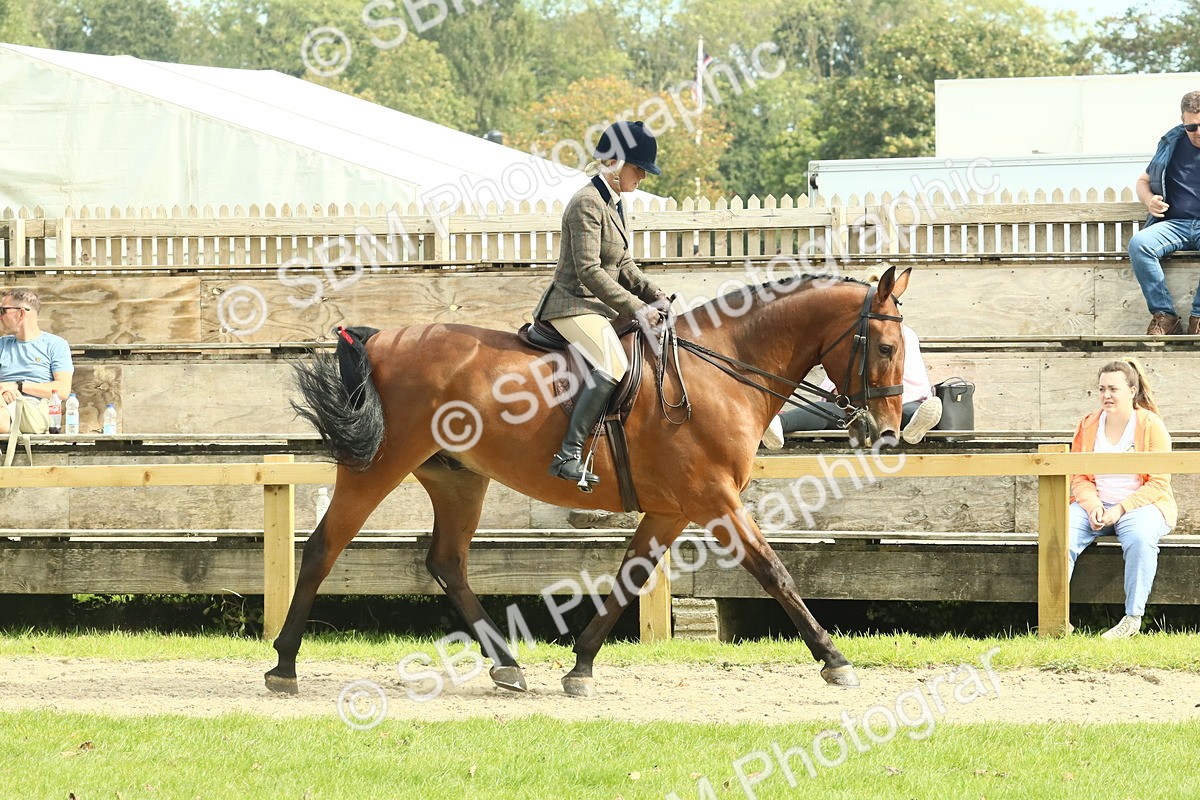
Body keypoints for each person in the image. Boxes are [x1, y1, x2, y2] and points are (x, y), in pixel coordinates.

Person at [534, 120, 669, 489]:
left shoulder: (615, 203)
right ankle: (568, 455)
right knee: (613, 361)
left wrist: (656, 295)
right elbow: (590, 271)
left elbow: (623, 265)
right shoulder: (586, 203)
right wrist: (636, 308)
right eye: (638, 167)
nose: (642, 176)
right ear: (615, 161)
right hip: (572, 304)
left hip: (599, 306)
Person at [1067, 359, 1175, 639]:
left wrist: (1121, 509)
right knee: (1061, 533)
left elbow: (1159, 482)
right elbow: (1079, 477)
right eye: (1101, 389)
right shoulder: (1088, 424)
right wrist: (1092, 506)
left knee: (1140, 538)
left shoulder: (1151, 425)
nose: (1106, 395)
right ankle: (1057, 618)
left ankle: (1132, 618)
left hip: (1141, 506)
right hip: (1096, 504)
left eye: (1113, 389)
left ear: (1131, 390)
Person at [760, 324, 942, 448]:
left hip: (880, 407)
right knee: (904, 410)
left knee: (829, 412)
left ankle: (779, 423)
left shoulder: (878, 333)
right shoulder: (901, 332)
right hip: (875, 409)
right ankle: (914, 421)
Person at [1128, 90, 1200, 336]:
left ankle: (1199, 318)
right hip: (1174, 223)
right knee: (1139, 244)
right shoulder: (1170, 143)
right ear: (1183, 121)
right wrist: (1149, 200)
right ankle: (1165, 316)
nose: (1198, 132)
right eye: (1192, 127)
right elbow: (1142, 180)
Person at [0, 288, 74, 435]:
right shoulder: (2, 344)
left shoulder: (55, 345)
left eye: (3, 311)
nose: (0, 316)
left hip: (35, 410)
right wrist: (3, 390)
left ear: (21, 313)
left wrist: (18, 386)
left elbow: (63, 390)